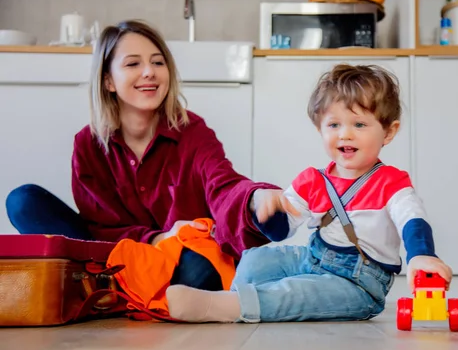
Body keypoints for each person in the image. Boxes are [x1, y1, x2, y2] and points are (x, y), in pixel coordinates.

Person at [4, 19, 284, 291]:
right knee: (23, 201)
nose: (150, 72)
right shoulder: (88, 144)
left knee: (200, 272)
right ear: (108, 81)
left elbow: (222, 184)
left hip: (177, 255)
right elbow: (100, 227)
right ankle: (122, 285)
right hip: (115, 253)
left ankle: (110, 288)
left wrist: (255, 199)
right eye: (133, 63)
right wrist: (157, 237)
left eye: (158, 62)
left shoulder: (192, 131)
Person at [165, 63, 454, 323]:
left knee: (294, 293)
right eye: (334, 125)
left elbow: (412, 219)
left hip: (359, 283)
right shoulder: (313, 181)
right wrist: (269, 212)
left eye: (360, 124)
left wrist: (421, 255)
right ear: (320, 129)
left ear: (388, 133)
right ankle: (234, 299)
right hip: (313, 259)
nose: (345, 134)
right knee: (255, 259)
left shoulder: (391, 182)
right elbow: (281, 232)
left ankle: (228, 307)